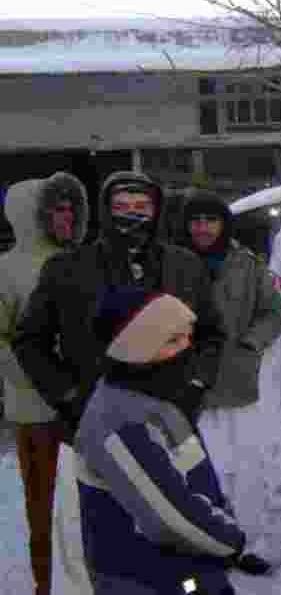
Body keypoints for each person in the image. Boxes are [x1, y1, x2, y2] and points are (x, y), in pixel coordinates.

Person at [13, 170, 226, 595]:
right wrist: (69, 397)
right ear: (106, 211)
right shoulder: (68, 268)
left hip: (171, 426)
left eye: (142, 207)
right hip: (94, 430)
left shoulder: (185, 266)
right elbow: (30, 340)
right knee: (106, 540)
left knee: (183, 522)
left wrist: (196, 386)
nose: (132, 216)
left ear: (157, 210)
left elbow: (211, 334)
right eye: (122, 207)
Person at [77, 285, 269, 594]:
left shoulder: (158, 392)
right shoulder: (117, 422)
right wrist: (229, 540)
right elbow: (172, 517)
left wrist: (222, 539)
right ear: (137, 349)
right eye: (173, 340)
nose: (187, 349)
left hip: (188, 556)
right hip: (139, 576)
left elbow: (192, 470)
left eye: (188, 337)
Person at [0, 172, 88, 595]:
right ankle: (45, 583)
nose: (64, 217)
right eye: (55, 208)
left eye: (70, 208)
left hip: (77, 408)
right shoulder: (8, 268)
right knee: (42, 505)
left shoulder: (79, 260)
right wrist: (42, 374)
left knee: (77, 503)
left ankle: (78, 578)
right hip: (33, 411)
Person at [180, 190, 281, 504]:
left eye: (210, 220)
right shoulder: (172, 262)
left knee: (241, 467)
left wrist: (251, 344)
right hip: (187, 382)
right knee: (195, 465)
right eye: (195, 221)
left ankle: (243, 532)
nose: (203, 228)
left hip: (235, 381)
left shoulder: (246, 264)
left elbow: (273, 311)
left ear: (223, 224)